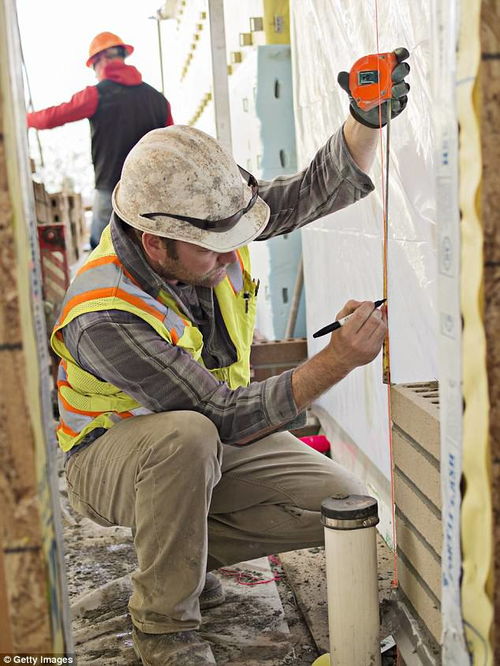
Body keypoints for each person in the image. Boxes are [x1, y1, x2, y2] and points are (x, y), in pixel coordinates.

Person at [50, 48, 410, 665]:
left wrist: (366, 118)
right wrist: (336, 361)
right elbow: (222, 417)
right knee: (185, 437)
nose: (230, 258)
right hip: (112, 456)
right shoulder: (107, 311)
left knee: (337, 507)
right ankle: (164, 627)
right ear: (156, 242)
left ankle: (176, 559)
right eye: (213, 251)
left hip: (206, 440)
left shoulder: (210, 223)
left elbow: (306, 193)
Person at [27, 31, 174, 249]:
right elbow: (172, 144)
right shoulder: (158, 99)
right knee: (153, 247)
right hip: (152, 190)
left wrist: (22, 118)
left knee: (102, 247)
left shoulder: (96, 95)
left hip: (111, 189)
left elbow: (53, 117)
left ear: (101, 61)